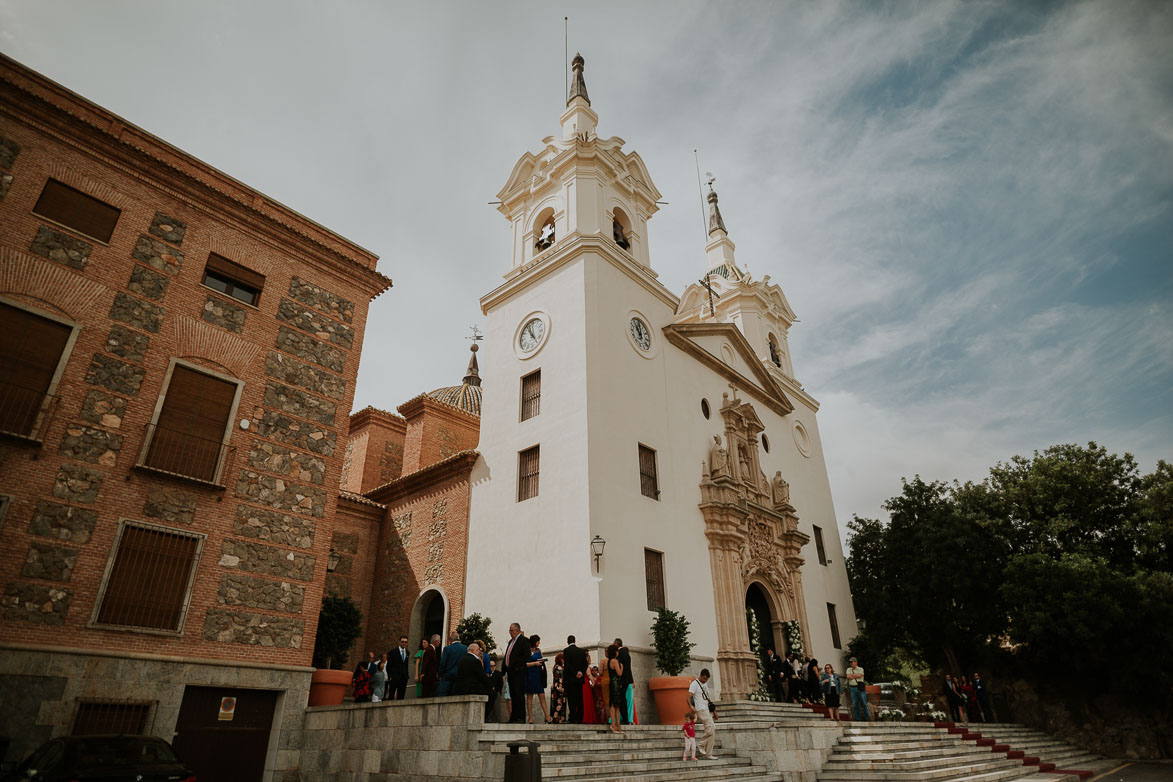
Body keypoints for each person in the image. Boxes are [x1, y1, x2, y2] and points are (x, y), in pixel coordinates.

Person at [503, 622, 531, 723]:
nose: (510, 632)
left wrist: (518, 666)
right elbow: (508, 655)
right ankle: (513, 717)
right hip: (510, 672)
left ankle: (520, 717)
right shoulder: (511, 641)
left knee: (519, 694)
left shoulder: (524, 641)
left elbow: (527, 656)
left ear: (517, 630)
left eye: (511, 630)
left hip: (518, 672)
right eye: (509, 630)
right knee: (513, 695)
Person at [688, 669, 717, 759]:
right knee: (712, 728)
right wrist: (691, 706)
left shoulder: (705, 684)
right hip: (701, 709)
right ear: (700, 675)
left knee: (712, 731)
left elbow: (708, 698)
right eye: (704, 678)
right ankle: (701, 744)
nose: (705, 681)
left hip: (707, 709)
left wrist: (714, 711)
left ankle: (709, 754)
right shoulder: (694, 684)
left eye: (706, 679)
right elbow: (688, 697)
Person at [525, 634, 551, 723]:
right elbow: (524, 664)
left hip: (538, 675)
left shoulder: (539, 650)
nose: (539, 643)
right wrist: (534, 663)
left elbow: (541, 658)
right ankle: (530, 717)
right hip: (530, 674)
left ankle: (547, 715)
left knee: (542, 696)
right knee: (530, 696)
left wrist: (542, 661)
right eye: (538, 641)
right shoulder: (527, 651)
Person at [563, 634, 588, 723]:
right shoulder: (581, 651)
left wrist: (575, 673)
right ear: (575, 641)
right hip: (579, 679)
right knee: (579, 699)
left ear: (567, 641)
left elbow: (567, 665)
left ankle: (572, 718)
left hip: (570, 679)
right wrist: (581, 672)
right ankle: (580, 718)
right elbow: (585, 664)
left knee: (572, 700)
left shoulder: (566, 651)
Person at [437, 629, 467, 697]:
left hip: (448, 677)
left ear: (450, 639)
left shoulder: (447, 649)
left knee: (443, 696)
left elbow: (443, 663)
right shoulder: (465, 648)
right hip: (460, 676)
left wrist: (440, 674)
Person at [614, 638, 636, 725]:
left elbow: (622, 668)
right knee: (623, 699)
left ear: (616, 644)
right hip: (627, 679)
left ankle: (625, 718)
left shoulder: (620, 654)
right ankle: (625, 718)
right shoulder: (626, 653)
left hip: (622, 680)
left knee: (622, 699)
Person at [605, 644, 625, 734]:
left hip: (612, 684)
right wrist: (622, 667)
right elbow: (619, 673)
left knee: (616, 705)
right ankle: (614, 725)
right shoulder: (615, 661)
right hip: (615, 684)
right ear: (615, 652)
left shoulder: (609, 661)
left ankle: (617, 726)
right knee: (614, 705)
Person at [845, 656, 869, 721]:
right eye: (850, 662)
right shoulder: (848, 669)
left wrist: (852, 675)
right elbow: (848, 676)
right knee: (855, 704)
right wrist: (856, 675)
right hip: (852, 688)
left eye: (851, 662)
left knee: (863, 702)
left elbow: (860, 675)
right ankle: (858, 718)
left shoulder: (860, 669)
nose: (850, 663)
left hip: (860, 688)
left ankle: (867, 718)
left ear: (855, 662)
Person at [387, 636, 410, 700]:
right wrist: (390, 676)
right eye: (402, 642)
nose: (404, 643)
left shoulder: (407, 652)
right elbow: (388, 665)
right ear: (399, 642)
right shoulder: (393, 652)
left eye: (405, 642)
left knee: (401, 696)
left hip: (403, 677)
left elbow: (406, 665)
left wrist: (407, 676)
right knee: (391, 695)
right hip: (394, 676)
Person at [550, 653, 567, 723]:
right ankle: (558, 719)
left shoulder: (555, 667)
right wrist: (561, 687)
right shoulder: (560, 668)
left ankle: (554, 718)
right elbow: (560, 678)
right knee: (559, 704)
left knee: (554, 704)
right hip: (559, 689)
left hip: (555, 688)